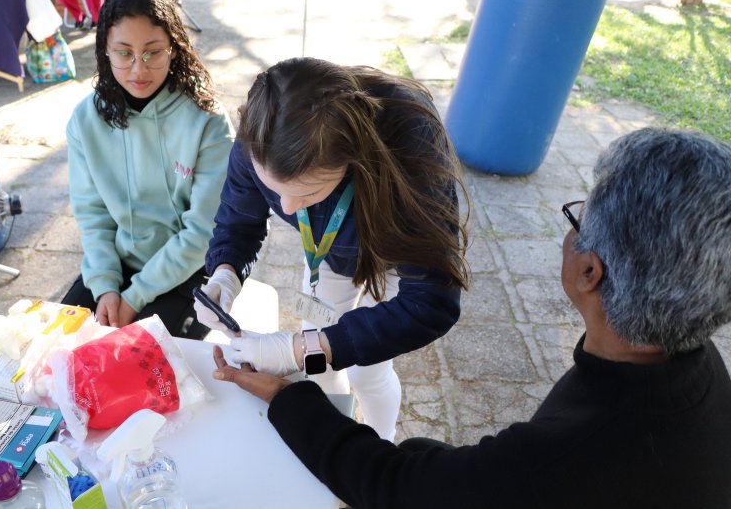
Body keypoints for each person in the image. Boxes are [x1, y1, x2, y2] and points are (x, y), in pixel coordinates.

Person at [212, 127, 731, 508]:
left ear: (591, 270)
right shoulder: (698, 368)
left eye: (578, 214)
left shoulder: (557, 460)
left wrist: (288, 394)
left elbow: (396, 486)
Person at [193, 57, 470, 441]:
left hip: (396, 256)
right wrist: (225, 271)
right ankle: (336, 442)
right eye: (273, 187)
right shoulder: (261, 138)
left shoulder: (412, 148)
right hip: (326, 258)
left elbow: (431, 303)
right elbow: (239, 221)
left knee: (367, 370)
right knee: (319, 365)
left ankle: (381, 442)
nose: (286, 208)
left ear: (352, 159)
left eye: (306, 192)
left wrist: (298, 348)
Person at [62, 0, 234, 339]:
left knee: (144, 370)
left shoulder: (207, 121)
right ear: (104, 51)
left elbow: (202, 233)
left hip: (190, 272)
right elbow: (93, 217)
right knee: (59, 350)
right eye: (123, 53)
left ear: (174, 49)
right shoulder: (85, 120)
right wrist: (106, 286)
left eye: (153, 52)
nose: (138, 69)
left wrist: (135, 297)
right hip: (120, 266)